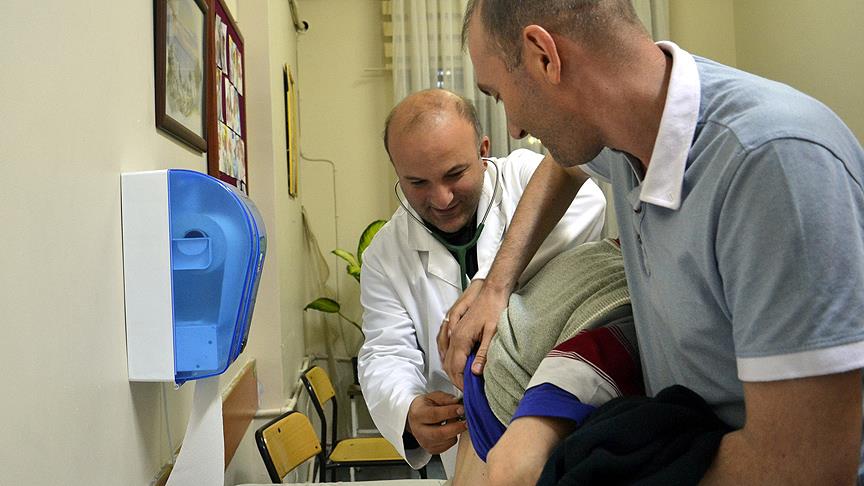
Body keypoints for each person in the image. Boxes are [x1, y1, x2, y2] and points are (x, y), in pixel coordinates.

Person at [442, 0, 864, 483]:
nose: (514, 128)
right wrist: (496, 284)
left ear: (544, 56)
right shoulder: (624, 131)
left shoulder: (772, 168)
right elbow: (563, 166)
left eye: (499, 95)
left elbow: (804, 469)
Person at [358, 88, 607, 476]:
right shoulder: (385, 254)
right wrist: (407, 409)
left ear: (483, 150)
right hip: (470, 442)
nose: (441, 198)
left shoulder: (524, 177)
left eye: (454, 174)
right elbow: (385, 350)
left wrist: (493, 281)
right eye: (418, 183)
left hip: (565, 419)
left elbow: (589, 203)